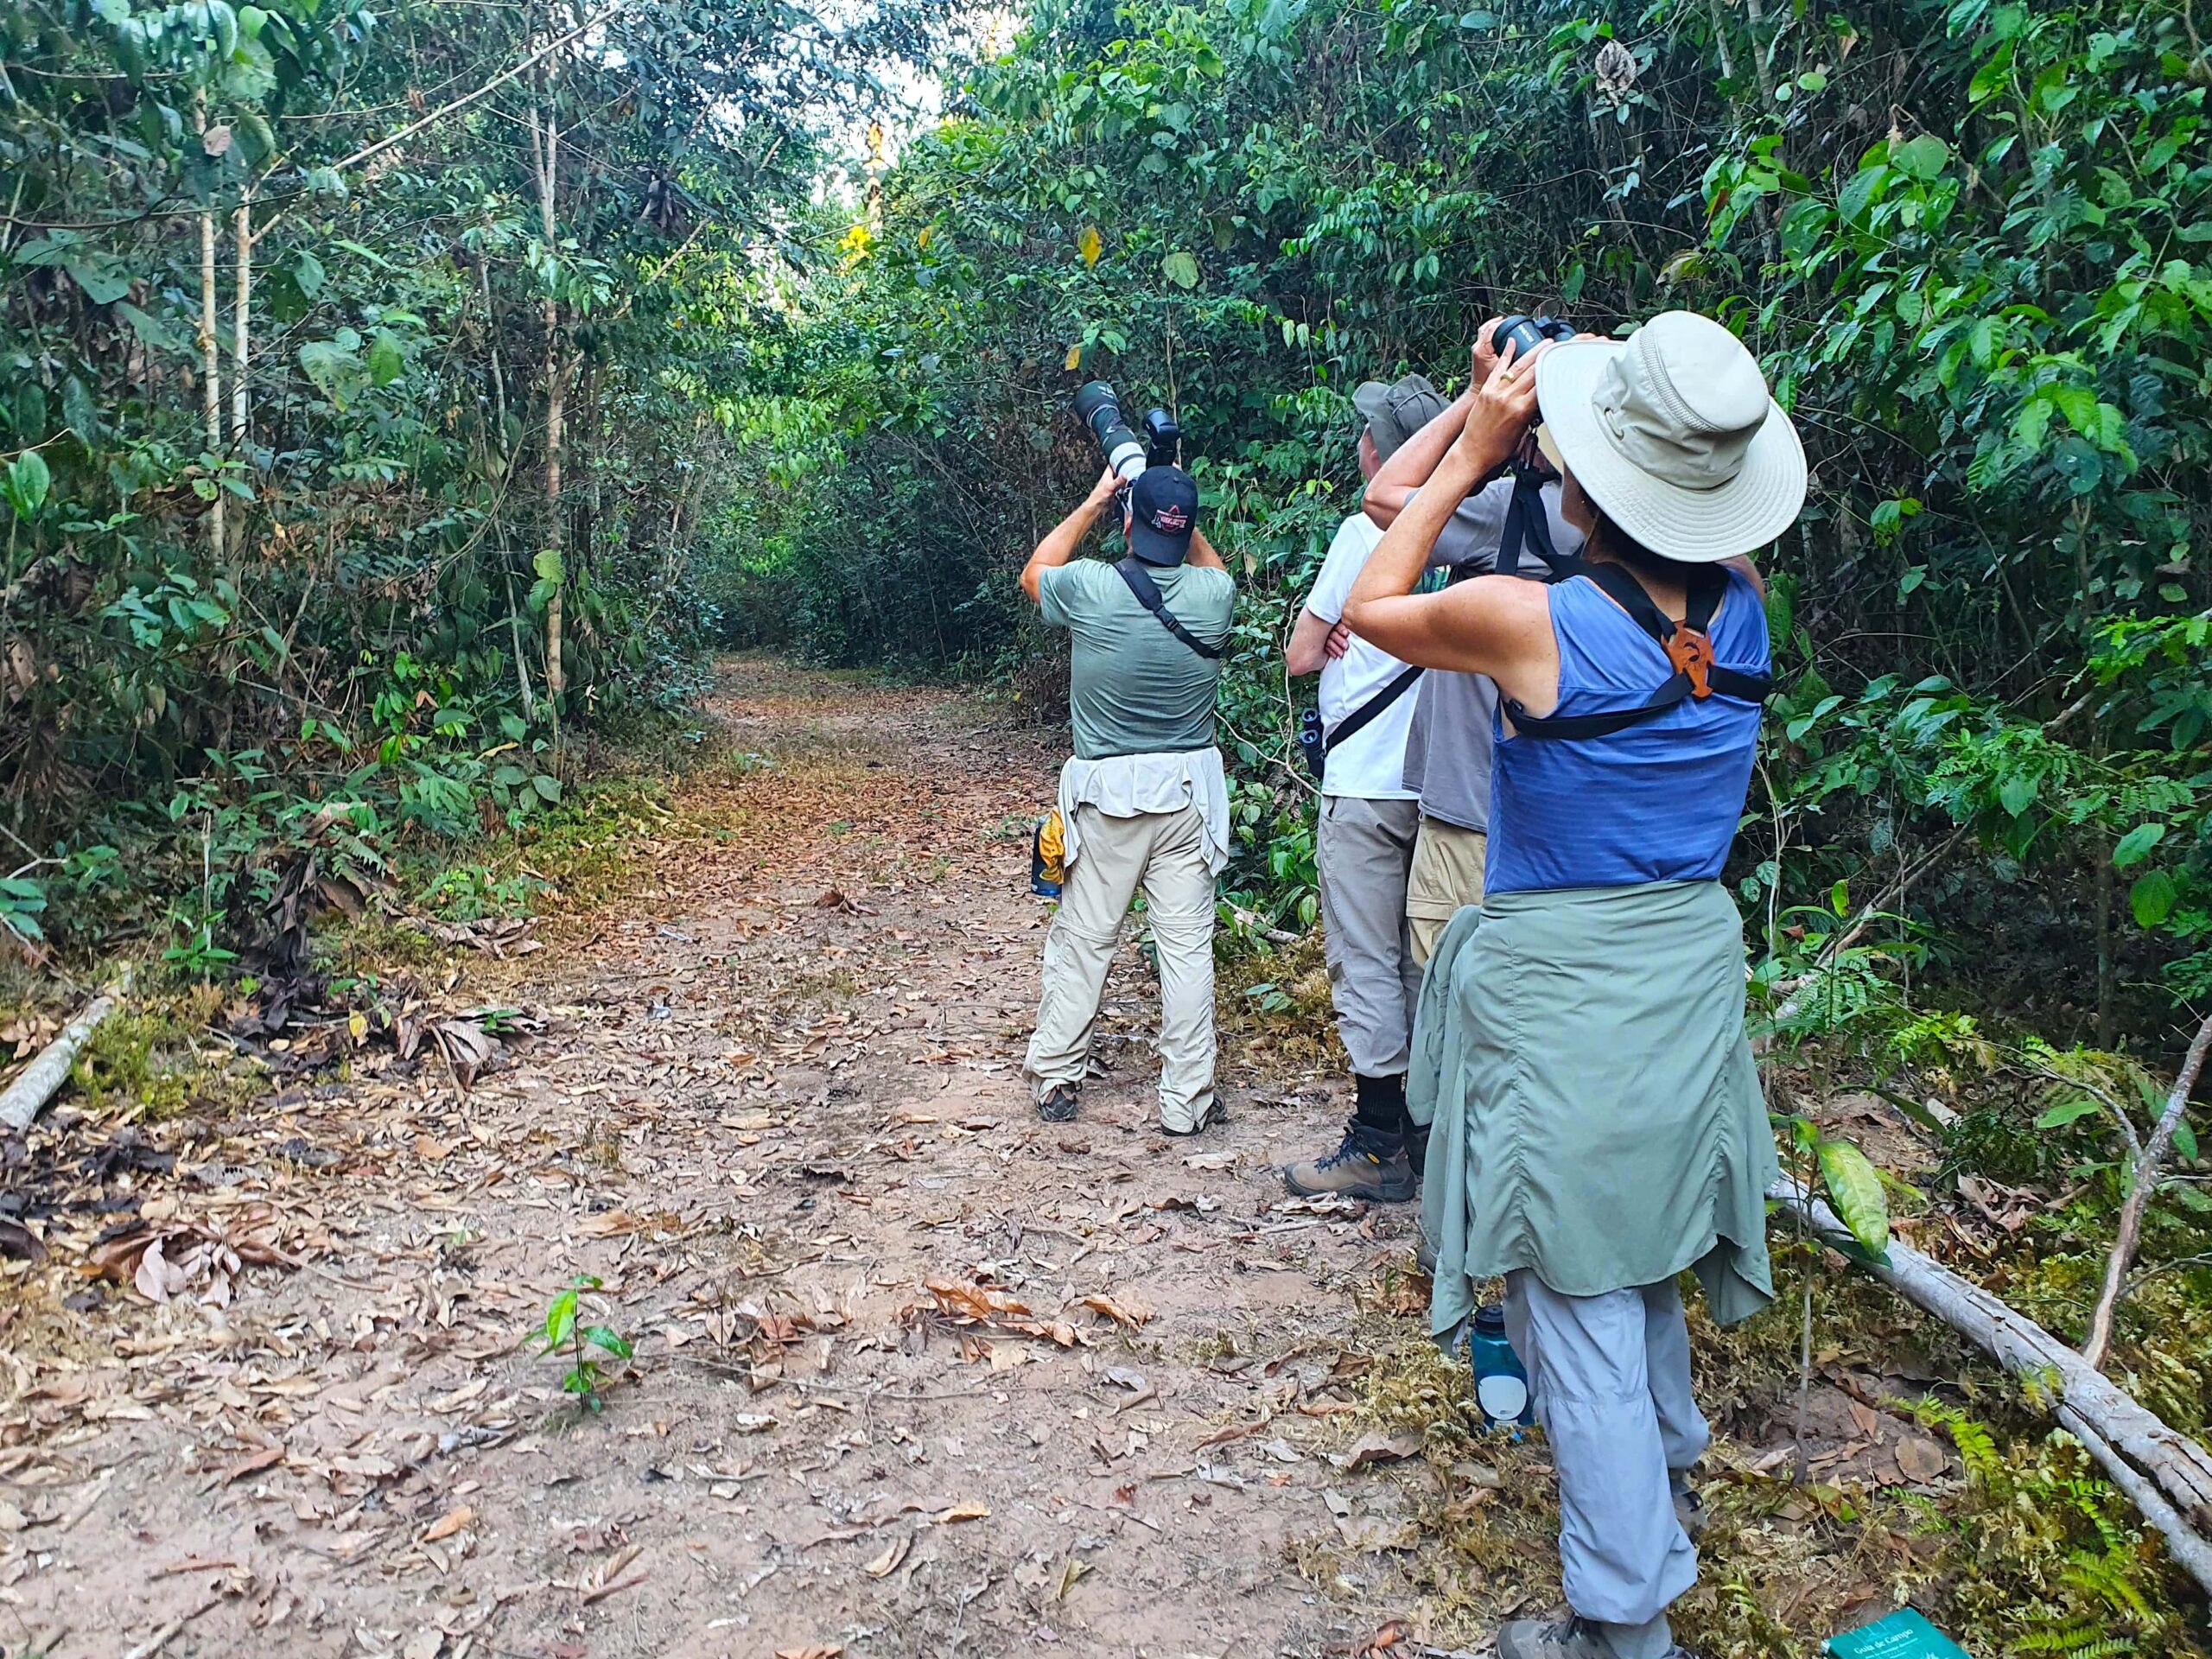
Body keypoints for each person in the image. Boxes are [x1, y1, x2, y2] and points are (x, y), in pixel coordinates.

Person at [1346, 310, 1800, 1659]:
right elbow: (1682, 539)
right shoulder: (1745, 605)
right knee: (1642, 1247)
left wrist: (1478, 438)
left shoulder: (1528, 623)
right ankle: (1667, 1483)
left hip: (1567, 998)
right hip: (1688, 983)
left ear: (1584, 475)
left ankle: (1623, 1623)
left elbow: (1371, 602)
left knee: (1576, 1296)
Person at [1020, 462, 1236, 1135]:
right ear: (1186, 529)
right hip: (1187, 796)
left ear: (1128, 522)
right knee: (1186, 948)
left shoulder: (1091, 587)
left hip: (1108, 795)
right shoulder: (1214, 594)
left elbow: (1035, 572)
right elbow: (1213, 569)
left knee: (1086, 939)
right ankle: (1187, 1099)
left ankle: (1058, 1075)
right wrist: (1181, 520)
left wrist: (1095, 501)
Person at [1363, 323, 1585, 969]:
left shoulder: (1510, 511)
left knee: (1455, 1002)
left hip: (1473, 813)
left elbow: (1383, 496)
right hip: (1575, 822)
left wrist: (1477, 402)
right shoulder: (1634, 530)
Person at [1277, 375, 1447, 1202]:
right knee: (1422, 962)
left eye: (1367, 433)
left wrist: (1342, 627)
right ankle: (1424, 1137)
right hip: (1444, 785)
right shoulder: (1469, 533)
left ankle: (1379, 1146)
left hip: (1368, 783)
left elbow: (1300, 655)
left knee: (1366, 959)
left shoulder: (1366, 531)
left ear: (1380, 453)